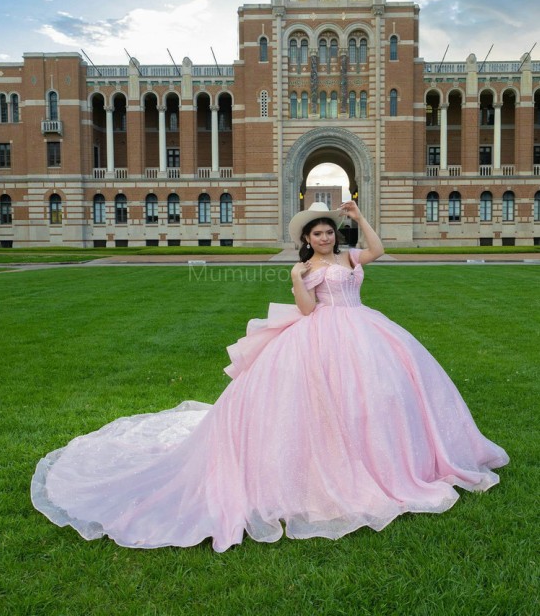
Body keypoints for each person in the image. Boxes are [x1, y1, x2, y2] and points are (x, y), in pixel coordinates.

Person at [31, 201, 509, 553]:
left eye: (329, 231)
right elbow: (305, 311)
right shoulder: (307, 268)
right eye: (318, 233)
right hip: (324, 332)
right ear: (308, 239)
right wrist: (299, 280)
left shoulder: (349, 258)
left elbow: (379, 250)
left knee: (382, 393)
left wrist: (359, 217)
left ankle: (392, 456)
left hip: (366, 327)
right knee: (324, 400)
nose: (325, 237)